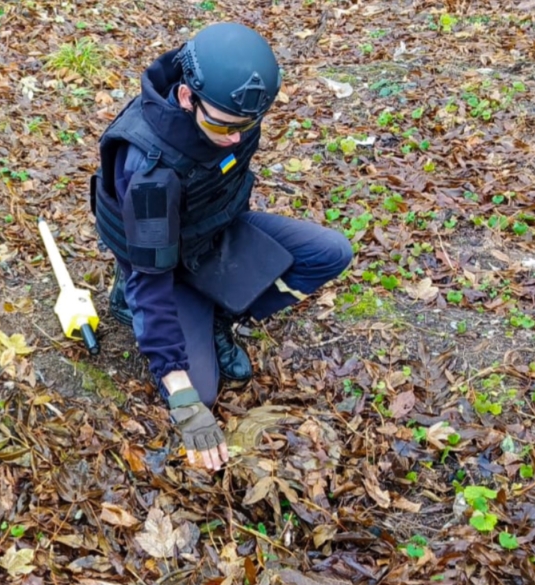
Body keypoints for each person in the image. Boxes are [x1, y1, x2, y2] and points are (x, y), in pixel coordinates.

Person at [88, 22, 353, 472]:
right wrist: (185, 401)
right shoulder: (151, 172)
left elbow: (227, 163)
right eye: (222, 126)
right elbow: (151, 279)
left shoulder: (233, 109)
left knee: (330, 254)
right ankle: (124, 298)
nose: (234, 137)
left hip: (213, 232)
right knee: (203, 391)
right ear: (187, 97)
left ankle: (219, 316)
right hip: (161, 263)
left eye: (244, 127)